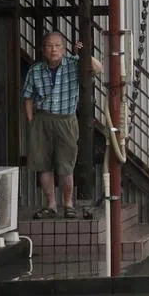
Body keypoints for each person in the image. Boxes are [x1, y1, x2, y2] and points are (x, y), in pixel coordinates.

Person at [22, 32, 103, 219]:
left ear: (64, 49)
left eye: (58, 46)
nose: (54, 50)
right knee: (43, 165)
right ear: (43, 50)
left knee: (66, 165)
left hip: (66, 119)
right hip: (42, 119)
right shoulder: (35, 70)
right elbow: (27, 97)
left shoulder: (74, 64)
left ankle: (68, 204)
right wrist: (31, 121)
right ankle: (51, 205)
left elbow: (98, 69)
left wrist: (84, 54)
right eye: (50, 46)